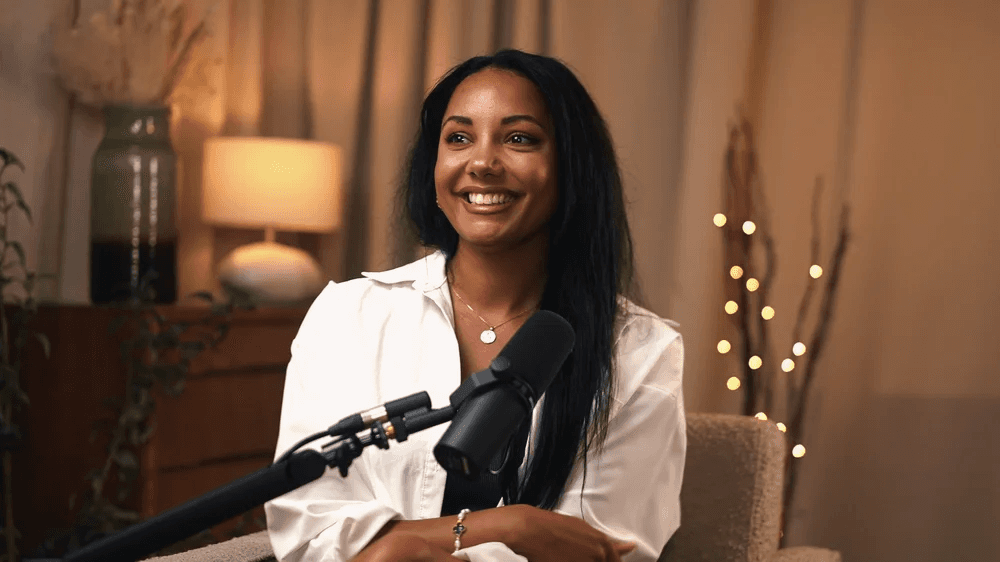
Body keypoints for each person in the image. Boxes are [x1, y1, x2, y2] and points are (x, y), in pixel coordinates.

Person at [264, 49, 685, 562]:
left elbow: (602, 548)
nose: (482, 162)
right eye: (459, 137)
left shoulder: (639, 350)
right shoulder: (348, 315)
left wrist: (400, 548)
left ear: (570, 166)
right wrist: (509, 525)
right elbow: (305, 523)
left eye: (519, 138)